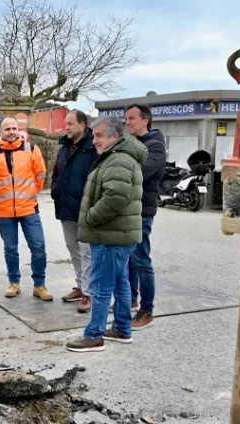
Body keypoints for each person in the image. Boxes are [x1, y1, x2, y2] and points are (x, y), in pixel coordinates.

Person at [66, 116, 146, 352]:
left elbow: (115, 198)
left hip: (109, 237)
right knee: (120, 282)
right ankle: (122, 328)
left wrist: (89, 218)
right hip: (118, 236)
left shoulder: (118, 160)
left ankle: (94, 335)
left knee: (100, 285)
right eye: (93, 135)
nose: (94, 140)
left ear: (115, 137)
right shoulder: (117, 157)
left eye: (99, 135)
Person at [0, 117, 53, 301]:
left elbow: (40, 175)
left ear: (19, 130)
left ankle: (39, 285)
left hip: (29, 209)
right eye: (7, 128)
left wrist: (31, 193)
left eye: (14, 128)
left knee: (38, 247)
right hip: (5, 211)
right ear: (1, 132)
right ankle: (14, 282)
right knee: (10, 249)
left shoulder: (32, 149)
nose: (11, 131)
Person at [124, 103, 167, 330]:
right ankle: (131, 298)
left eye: (131, 118)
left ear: (145, 120)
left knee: (141, 260)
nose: (127, 122)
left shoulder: (155, 146)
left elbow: (137, 174)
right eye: (126, 119)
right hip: (129, 209)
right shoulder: (134, 143)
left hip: (141, 211)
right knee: (130, 259)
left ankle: (147, 310)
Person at [50, 109, 97, 314]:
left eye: (70, 124)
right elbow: (56, 173)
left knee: (87, 252)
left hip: (85, 209)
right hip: (65, 207)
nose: (66, 127)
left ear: (82, 125)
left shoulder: (92, 148)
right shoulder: (64, 147)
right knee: (74, 250)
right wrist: (55, 191)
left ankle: (89, 293)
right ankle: (80, 286)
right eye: (65, 124)